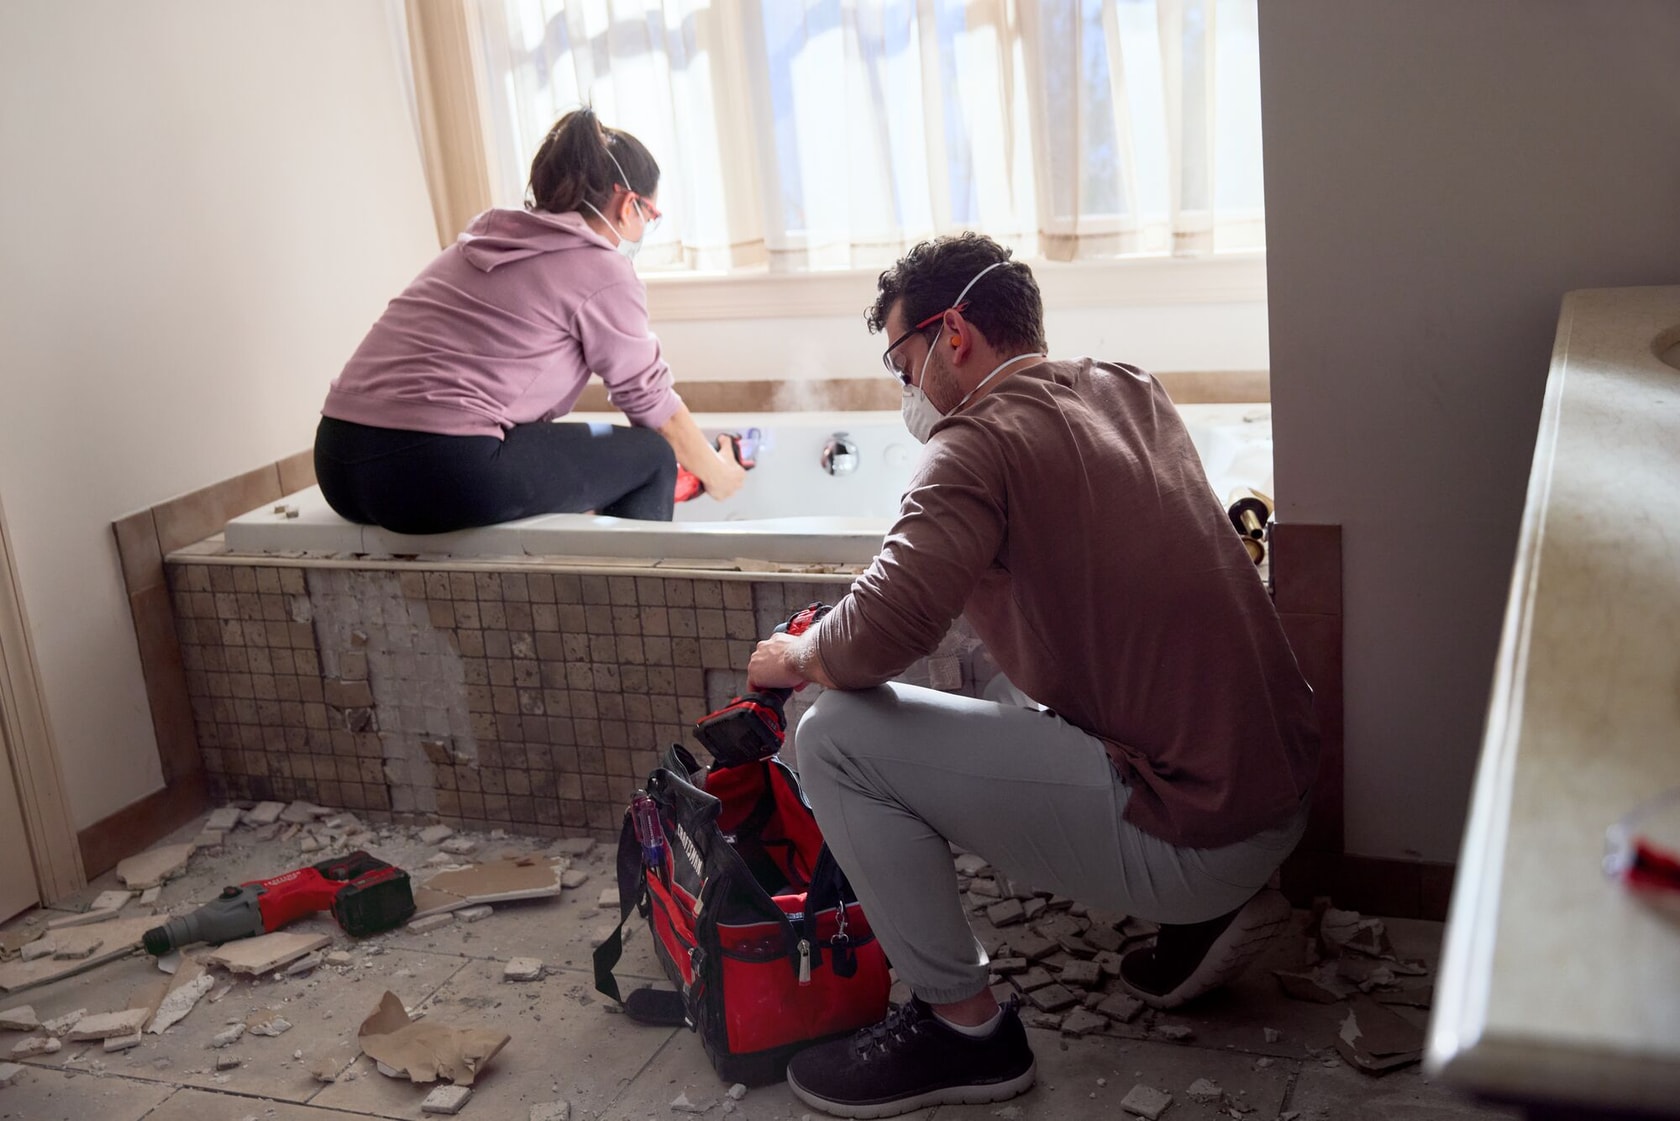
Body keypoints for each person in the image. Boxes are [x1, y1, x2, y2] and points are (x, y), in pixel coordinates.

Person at [746, 232, 1320, 1117]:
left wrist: (793, 655)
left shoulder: (975, 444)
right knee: (1004, 678)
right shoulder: (1127, 388)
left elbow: (878, 635)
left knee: (833, 733)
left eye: (905, 363)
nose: (907, 392)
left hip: (1197, 830)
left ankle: (964, 1031)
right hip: (1277, 799)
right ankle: (1209, 913)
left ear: (956, 333)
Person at [313, 108, 744, 535]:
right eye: (651, 216)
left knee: (586, 454)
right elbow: (654, 409)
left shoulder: (483, 241)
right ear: (629, 203)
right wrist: (719, 475)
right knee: (651, 455)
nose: (645, 228)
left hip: (338, 464)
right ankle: (630, 603)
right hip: (433, 470)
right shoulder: (601, 267)